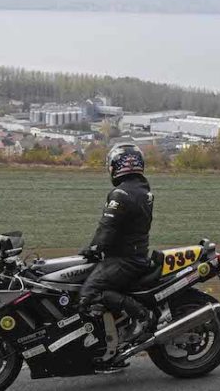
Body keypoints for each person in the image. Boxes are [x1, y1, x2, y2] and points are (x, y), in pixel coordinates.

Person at [79, 143, 154, 344]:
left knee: (89, 293)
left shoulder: (120, 194)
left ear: (116, 166)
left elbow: (107, 228)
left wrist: (93, 249)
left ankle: (141, 315)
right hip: (136, 255)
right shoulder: (143, 191)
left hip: (124, 260)